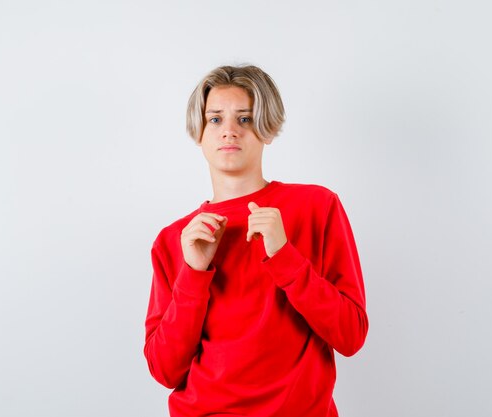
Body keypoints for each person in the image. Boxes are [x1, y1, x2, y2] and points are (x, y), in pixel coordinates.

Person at [143, 64, 368, 417]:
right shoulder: (175, 240)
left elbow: (351, 335)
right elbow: (164, 369)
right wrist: (194, 273)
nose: (229, 131)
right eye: (215, 119)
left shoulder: (317, 207)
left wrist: (285, 257)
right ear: (198, 131)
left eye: (245, 119)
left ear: (267, 127)